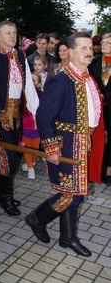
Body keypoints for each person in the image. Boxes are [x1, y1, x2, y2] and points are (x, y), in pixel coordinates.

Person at [25, 32, 103, 257]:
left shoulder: (87, 78)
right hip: (66, 144)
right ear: (70, 52)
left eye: (90, 48)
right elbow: (43, 116)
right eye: (83, 48)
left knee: (74, 192)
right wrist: (51, 148)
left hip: (82, 143)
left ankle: (67, 237)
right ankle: (37, 219)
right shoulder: (61, 81)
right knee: (71, 195)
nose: (88, 52)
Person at [0, 21, 39, 216]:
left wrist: (34, 109)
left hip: (15, 113)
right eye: (7, 33)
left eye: (14, 32)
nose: (12, 36)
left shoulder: (20, 54)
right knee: (7, 157)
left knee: (9, 155)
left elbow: (27, 85)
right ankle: (6, 198)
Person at [89, 33, 111, 184]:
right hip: (97, 108)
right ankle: (98, 168)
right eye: (103, 42)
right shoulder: (94, 63)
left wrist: (106, 96)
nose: (103, 44)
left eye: (108, 43)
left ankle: (109, 171)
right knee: (99, 137)